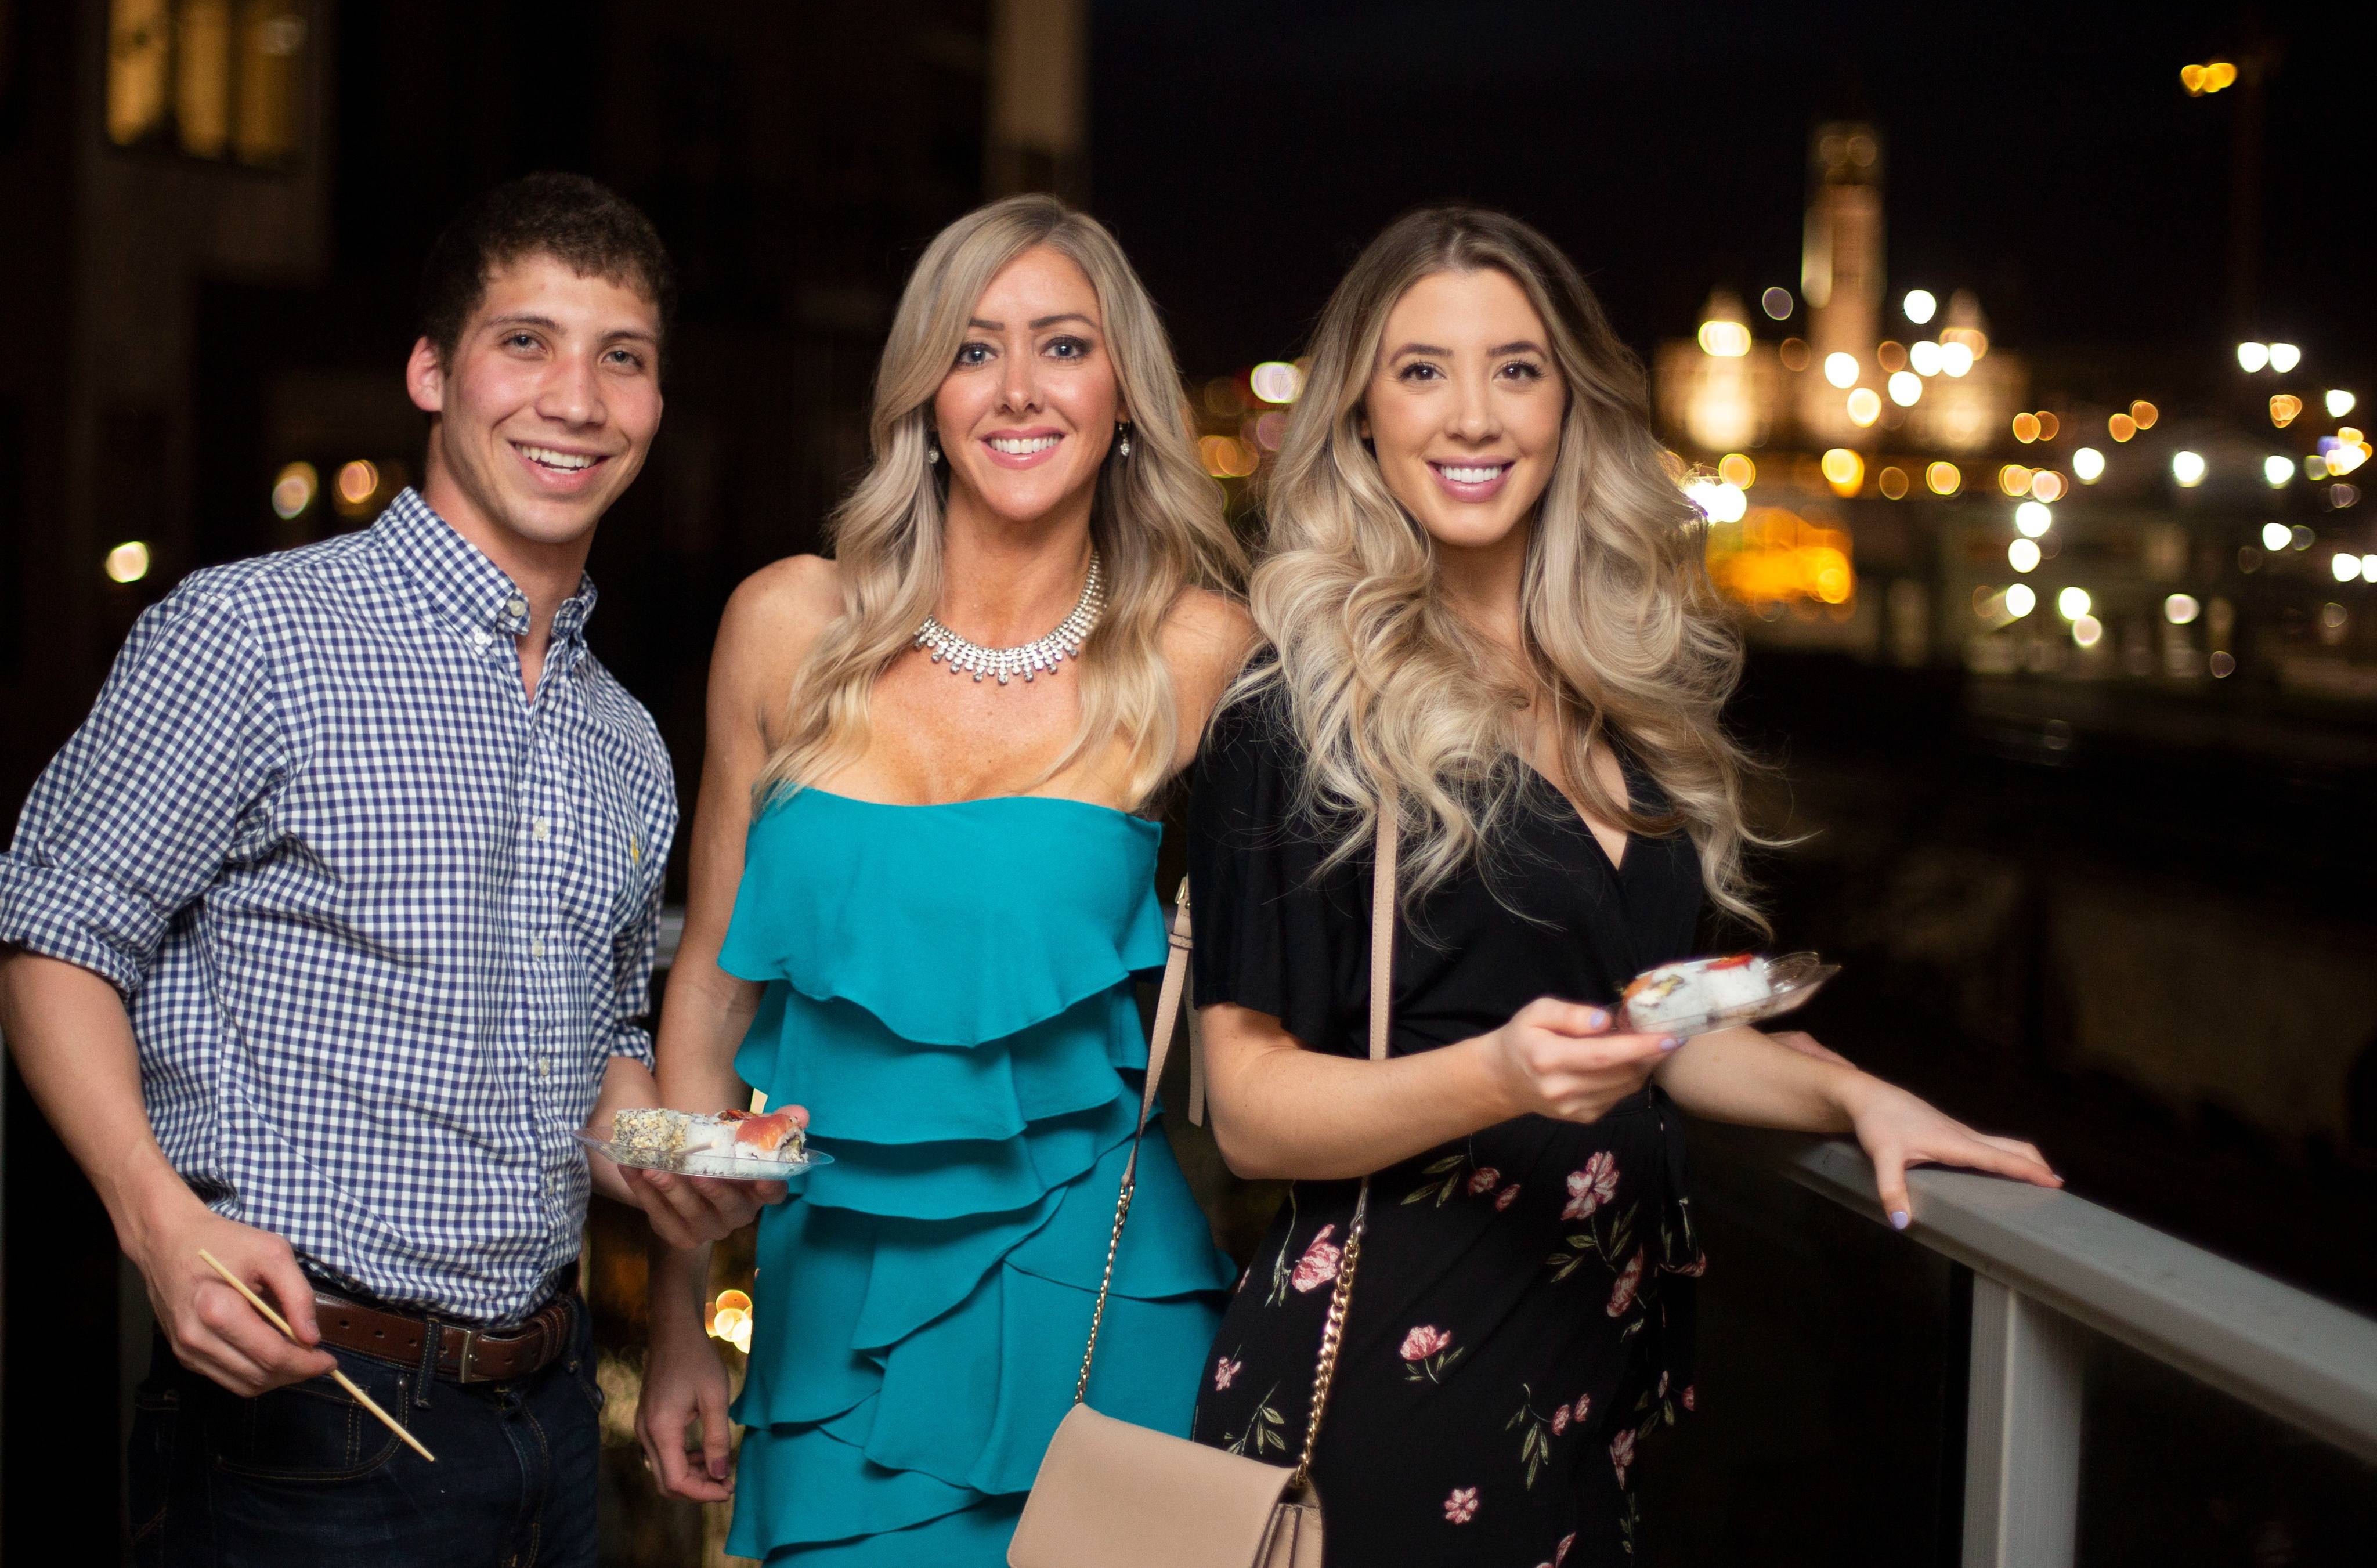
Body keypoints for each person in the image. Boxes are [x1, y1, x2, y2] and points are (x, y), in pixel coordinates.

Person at [1183, 205, 2062, 1565]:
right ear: (1359, 413)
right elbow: (1246, 1111)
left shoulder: (1616, 689)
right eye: (1420, 370)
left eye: (1514, 368)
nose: (1471, 415)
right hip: (1389, 1393)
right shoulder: (1296, 711)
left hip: (1599, 1383)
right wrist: (1499, 1074)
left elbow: (1652, 1029)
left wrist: (1851, 1096)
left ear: (1570, 404)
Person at [0, 172, 770, 1566]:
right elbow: (55, 939)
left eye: (621, 358)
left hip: (545, 1420)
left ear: (657, 402)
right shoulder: (251, 634)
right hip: (305, 1415)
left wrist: (709, 1171)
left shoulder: (621, 738)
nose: (576, 400)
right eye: (525, 343)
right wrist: (158, 1222)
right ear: (431, 371)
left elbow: (595, 1075)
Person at [635, 193, 1250, 1565]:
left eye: (1063, 347)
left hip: (1107, 1310)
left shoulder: (1202, 649)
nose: (1018, 389)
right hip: (827, 1319)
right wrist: (679, 1316)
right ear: (923, 395)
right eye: (974, 350)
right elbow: (712, 995)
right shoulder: (784, 623)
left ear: (1125, 397)